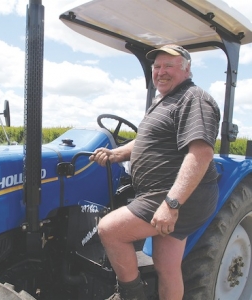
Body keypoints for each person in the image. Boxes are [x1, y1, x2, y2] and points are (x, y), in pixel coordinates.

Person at [89, 44, 220, 300]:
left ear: (186, 69)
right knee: (167, 267)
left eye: (169, 66)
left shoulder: (194, 98)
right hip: (162, 193)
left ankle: (131, 295)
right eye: (157, 67)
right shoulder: (164, 101)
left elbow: (201, 154)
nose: (161, 72)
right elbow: (145, 140)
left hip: (176, 196)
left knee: (109, 229)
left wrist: (171, 204)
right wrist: (116, 154)